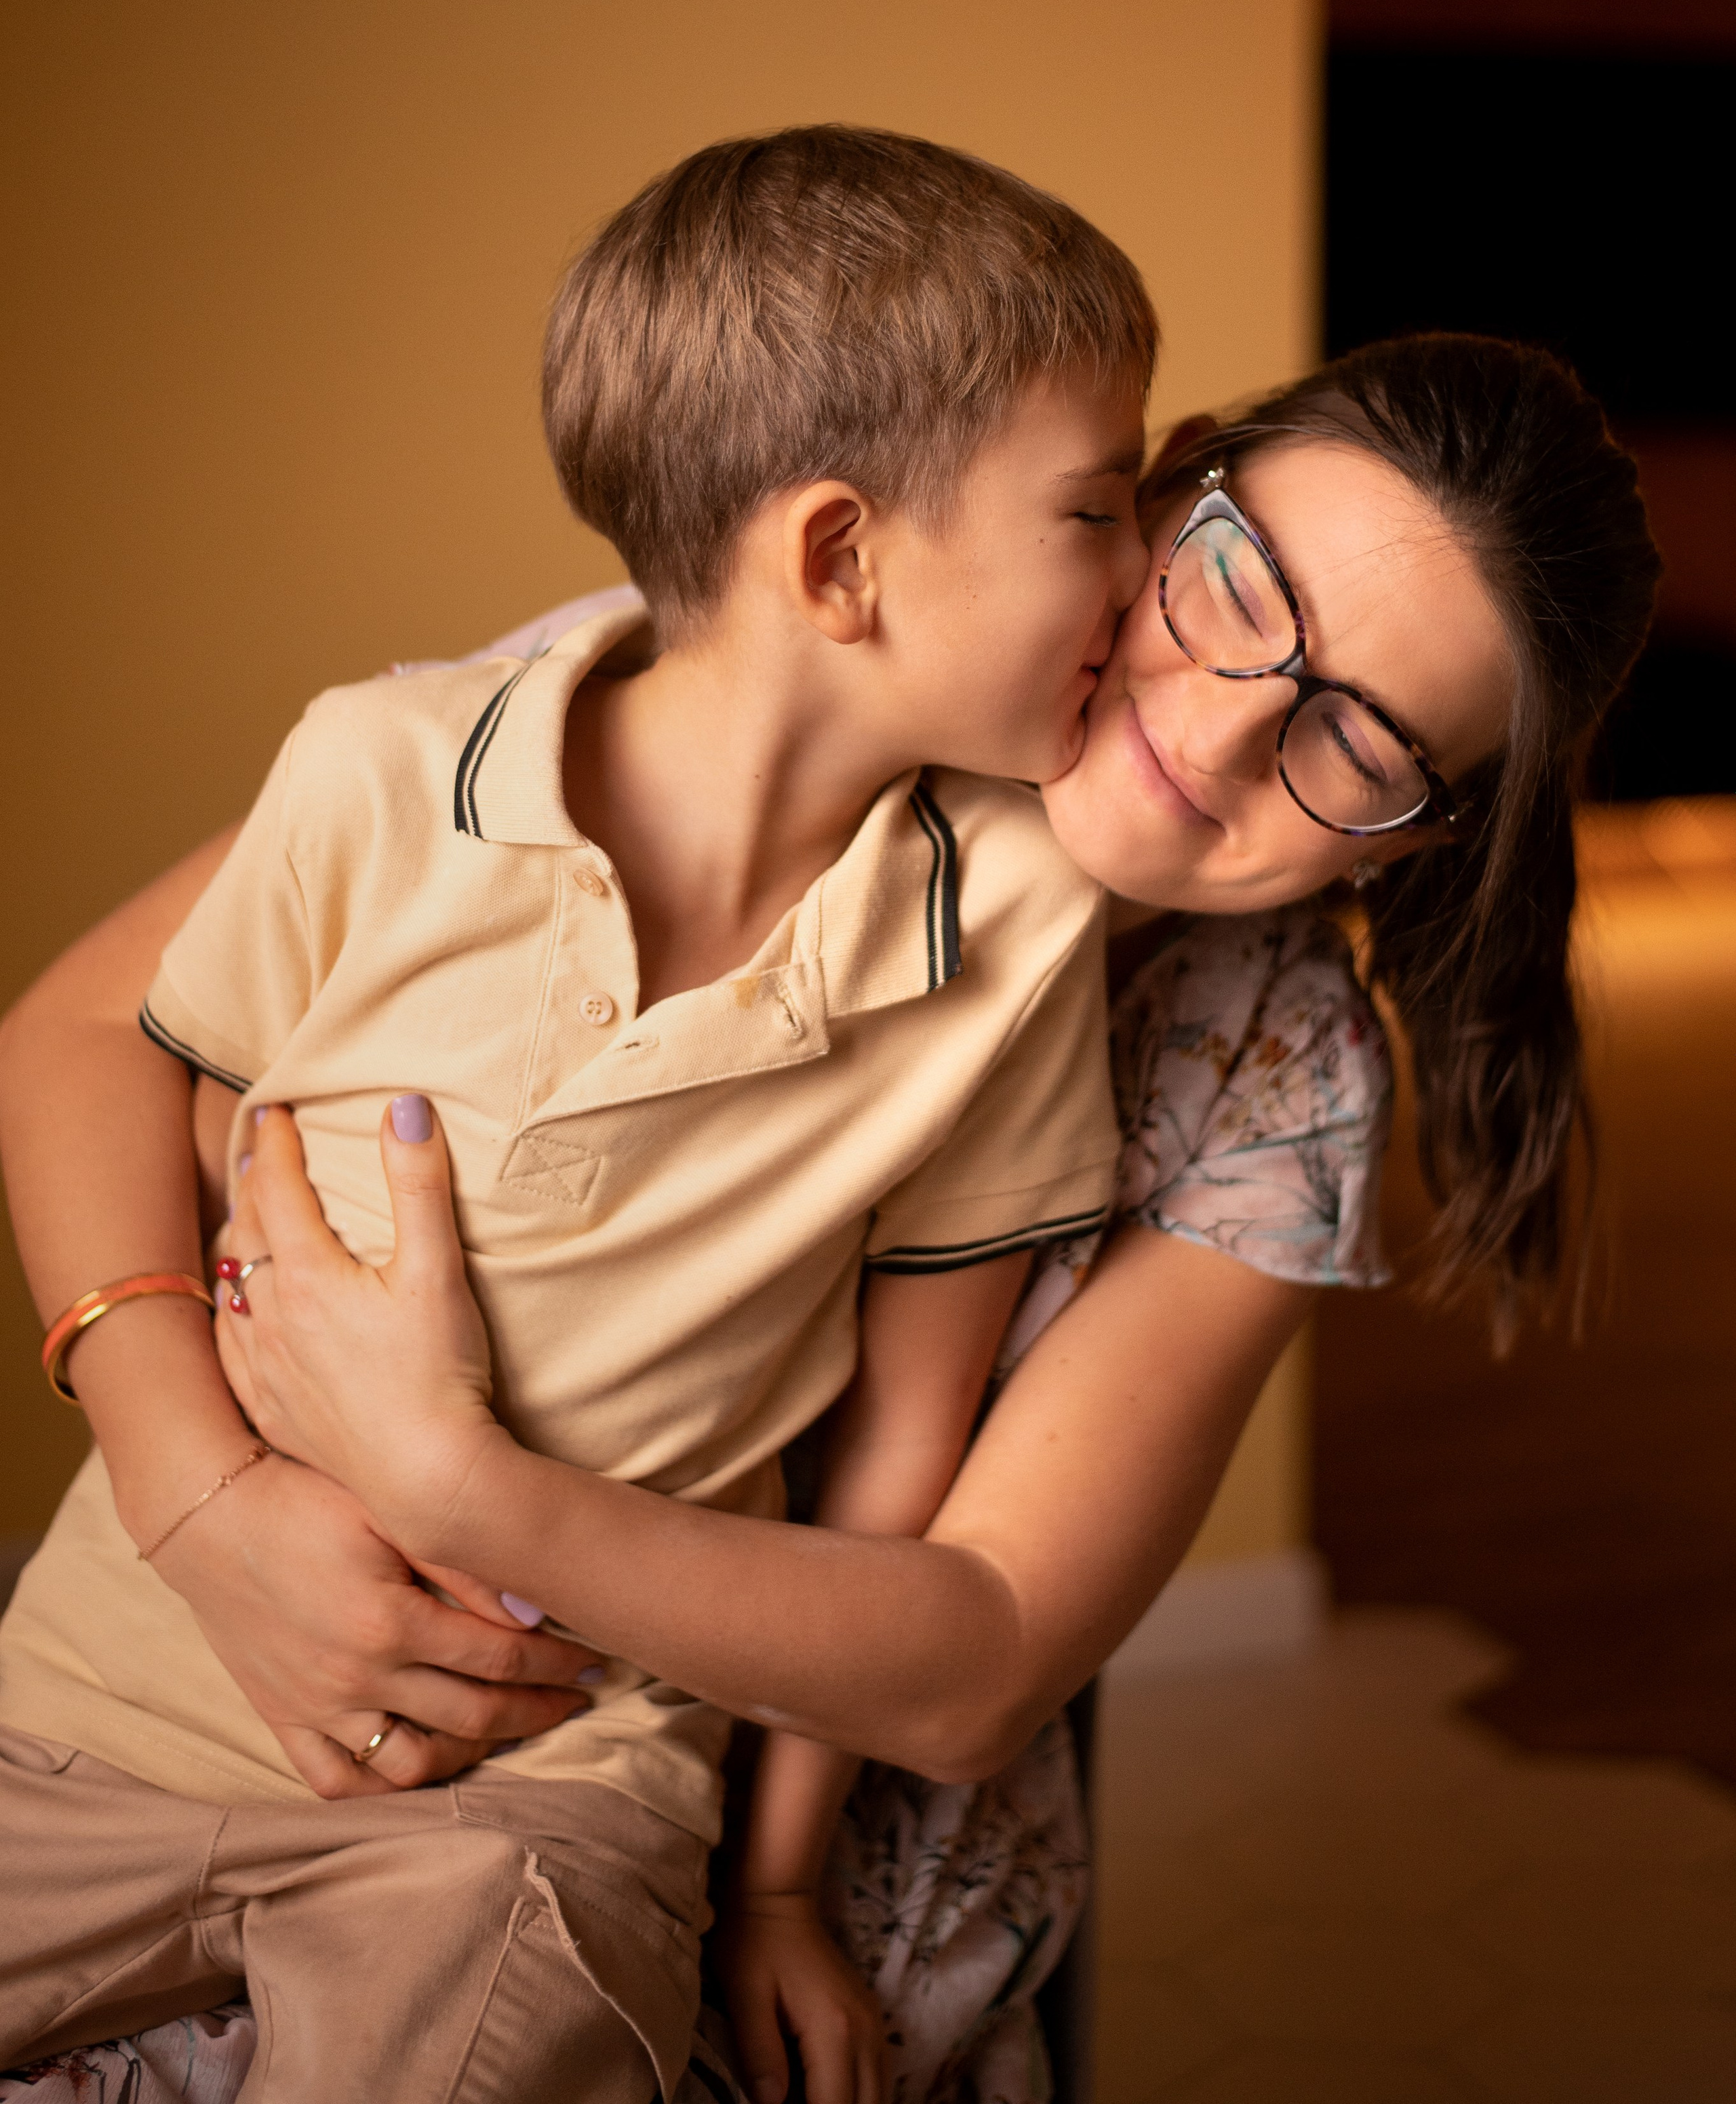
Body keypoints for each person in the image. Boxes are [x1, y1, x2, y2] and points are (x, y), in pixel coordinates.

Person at [0, 334, 1657, 2104]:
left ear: (1406, 845)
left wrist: (455, 1485)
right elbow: (100, 1033)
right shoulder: (715, 699)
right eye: (1231, 579)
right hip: (204, 1645)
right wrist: (202, 1500)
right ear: (1159, 486)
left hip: (684, 1802)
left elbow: (979, 1655)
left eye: (1361, 742)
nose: (1220, 723)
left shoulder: (1269, 1069)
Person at [0, 125, 1156, 2103]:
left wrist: (778, 1886)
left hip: (540, 1792)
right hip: (100, 1696)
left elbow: (903, 1445)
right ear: (839, 557)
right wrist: (206, 1481)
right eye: (1098, 511)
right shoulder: (375, 773)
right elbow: (135, 1072)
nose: (1137, 585)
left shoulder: (1024, 921)